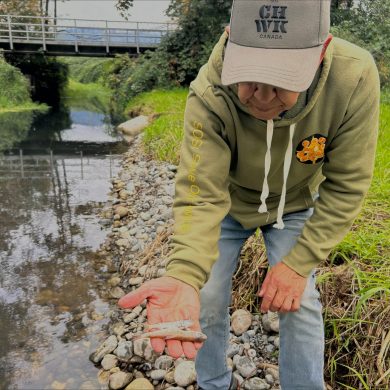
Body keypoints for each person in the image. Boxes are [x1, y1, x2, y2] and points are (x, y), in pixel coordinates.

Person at [118, 0, 380, 388]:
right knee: (203, 296)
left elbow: (348, 183)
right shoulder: (209, 90)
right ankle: (213, 383)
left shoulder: (353, 77)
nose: (260, 96)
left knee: (302, 301)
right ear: (229, 40)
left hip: (294, 205)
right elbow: (200, 193)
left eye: (280, 81)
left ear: (320, 53)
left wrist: (296, 265)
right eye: (250, 77)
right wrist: (185, 274)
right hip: (226, 204)